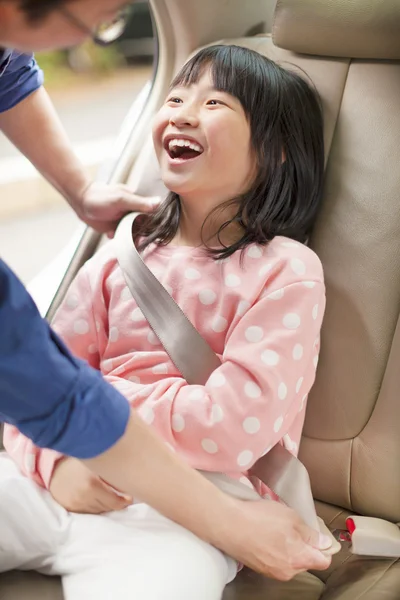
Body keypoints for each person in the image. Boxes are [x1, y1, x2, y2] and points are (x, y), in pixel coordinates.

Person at [0, 0, 331, 581]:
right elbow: (26, 396)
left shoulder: (285, 272)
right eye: (176, 98)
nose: (182, 113)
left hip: (200, 509)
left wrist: (96, 400)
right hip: (70, 472)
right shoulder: (118, 262)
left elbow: (230, 430)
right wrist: (54, 463)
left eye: (214, 104)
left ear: (276, 152)